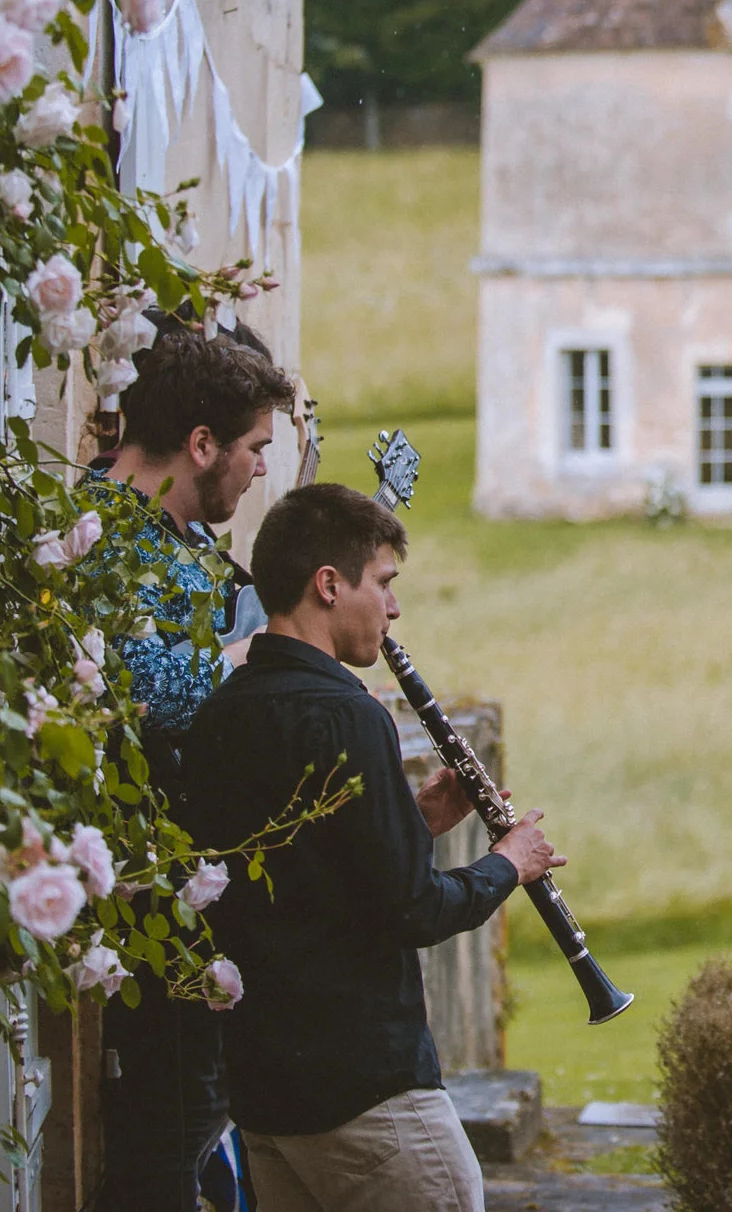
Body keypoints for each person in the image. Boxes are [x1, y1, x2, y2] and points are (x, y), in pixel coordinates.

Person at [182, 483, 559, 1212]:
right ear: (329, 585)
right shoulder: (348, 716)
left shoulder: (220, 713)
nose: (393, 609)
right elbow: (411, 910)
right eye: (383, 584)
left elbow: (305, 880)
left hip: (267, 1097)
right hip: (367, 1093)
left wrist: (412, 822)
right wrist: (506, 865)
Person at [85, 318, 297, 1211]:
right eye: (253, 447)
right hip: (143, 909)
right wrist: (248, 663)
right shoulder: (101, 533)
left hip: (201, 905)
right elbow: (134, 690)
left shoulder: (188, 545)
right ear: (200, 442)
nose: (260, 469)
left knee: (198, 1136)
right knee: (163, 1156)